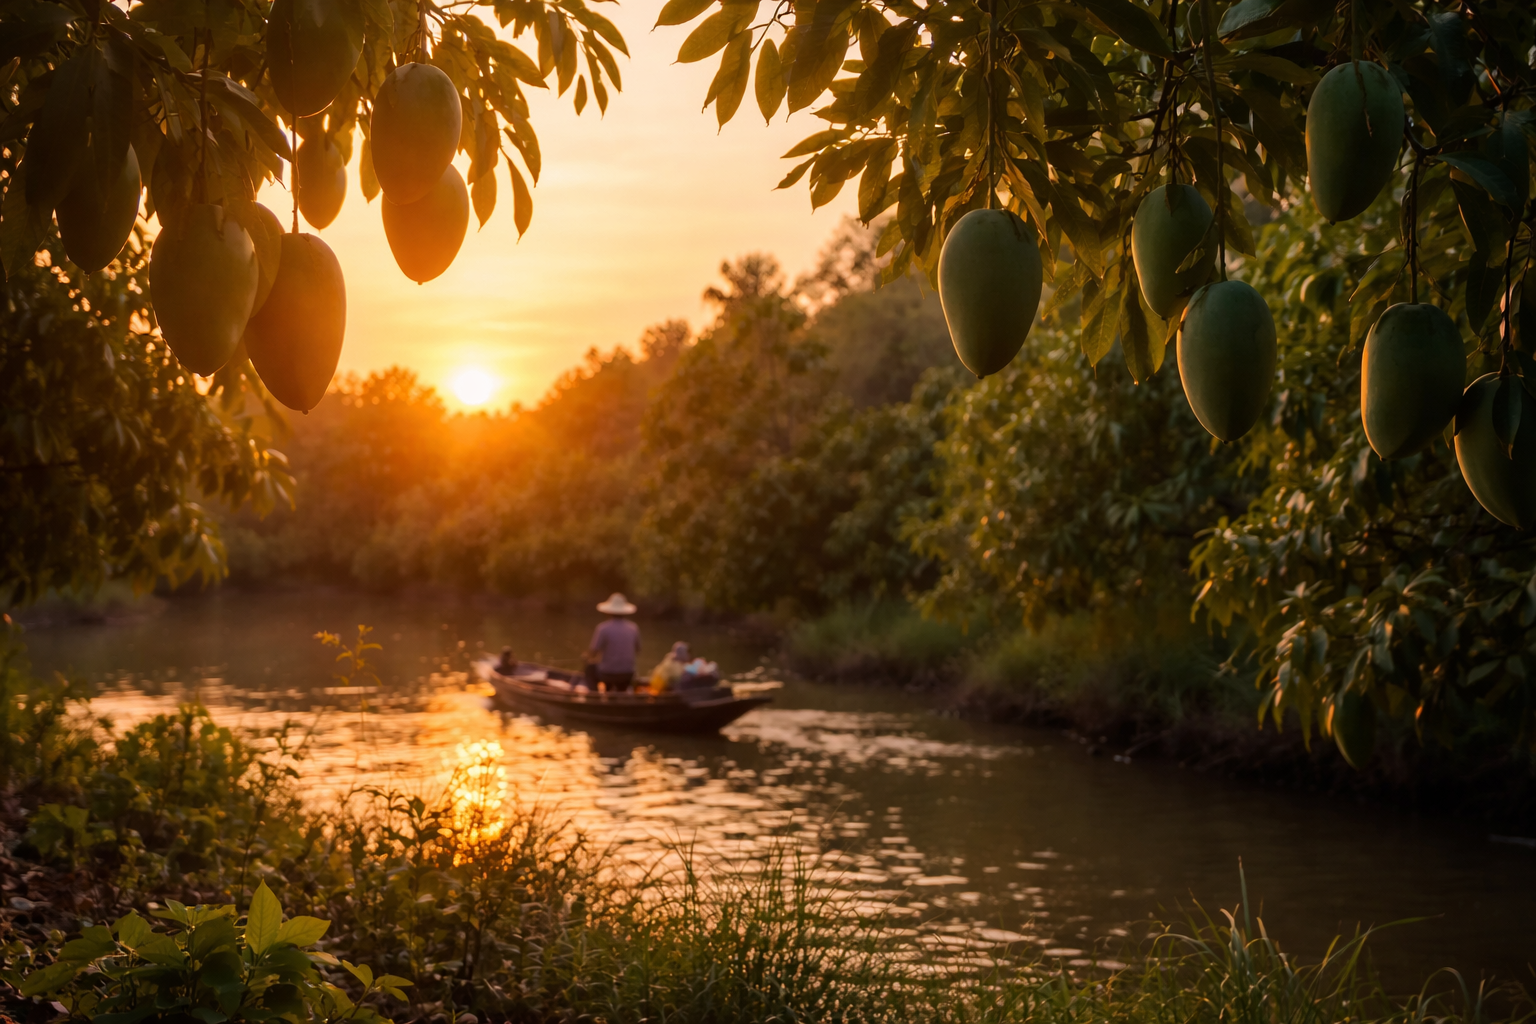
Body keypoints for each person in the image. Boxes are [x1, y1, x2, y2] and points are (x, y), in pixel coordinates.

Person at [585, 592, 640, 691]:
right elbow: (638, 650)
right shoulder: (634, 628)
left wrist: (587, 657)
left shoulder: (603, 628)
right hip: (628, 675)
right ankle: (620, 691)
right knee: (619, 678)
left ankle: (595, 696)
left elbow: (593, 652)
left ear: (608, 612)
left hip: (607, 674)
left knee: (589, 668)